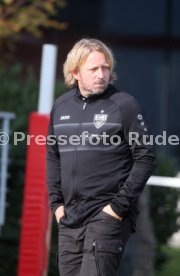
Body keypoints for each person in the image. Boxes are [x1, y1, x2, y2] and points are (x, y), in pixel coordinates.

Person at [46, 38, 156, 276]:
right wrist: (56, 204)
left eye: (105, 68)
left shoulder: (125, 105)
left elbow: (146, 157)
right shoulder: (61, 106)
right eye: (93, 69)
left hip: (107, 215)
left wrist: (117, 207)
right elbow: (53, 156)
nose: (101, 74)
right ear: (75, 72)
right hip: (69, 217)